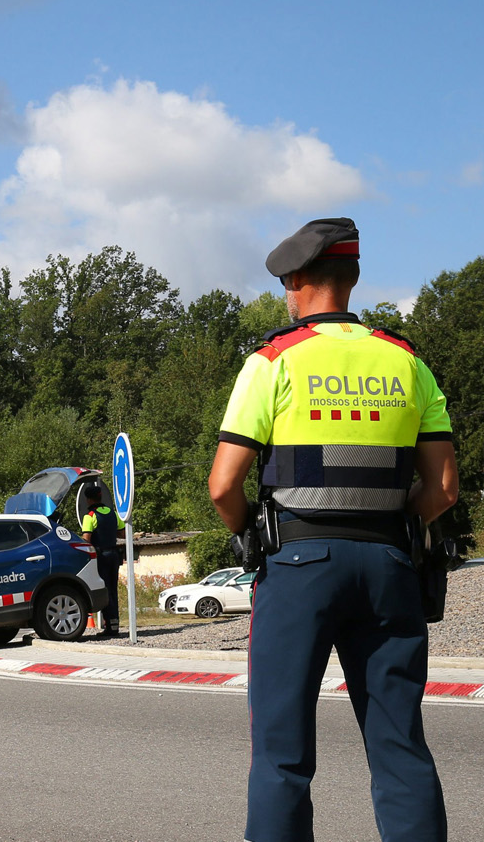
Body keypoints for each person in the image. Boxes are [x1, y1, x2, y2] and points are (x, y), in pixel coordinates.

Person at [208, 217, 456, 842]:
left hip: (298, 567)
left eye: (285, 284)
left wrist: (249, 535)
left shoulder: (272, 361)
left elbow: (222, 485)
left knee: (282, 756)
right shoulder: (408, 363)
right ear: (351, 279)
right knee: (401, 748)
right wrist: (395, 523)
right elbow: (445, 487)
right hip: (389, 568)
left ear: (297, 281)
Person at [80, 487, 123, 637]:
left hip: (101, 557)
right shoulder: (113, 513)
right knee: (113, 590)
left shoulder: (90, 516)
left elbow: (86, 539)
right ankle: (115, 624)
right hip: (114, 555)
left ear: (88, 499)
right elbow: (122, 533)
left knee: (105, 590)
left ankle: (110, 626)